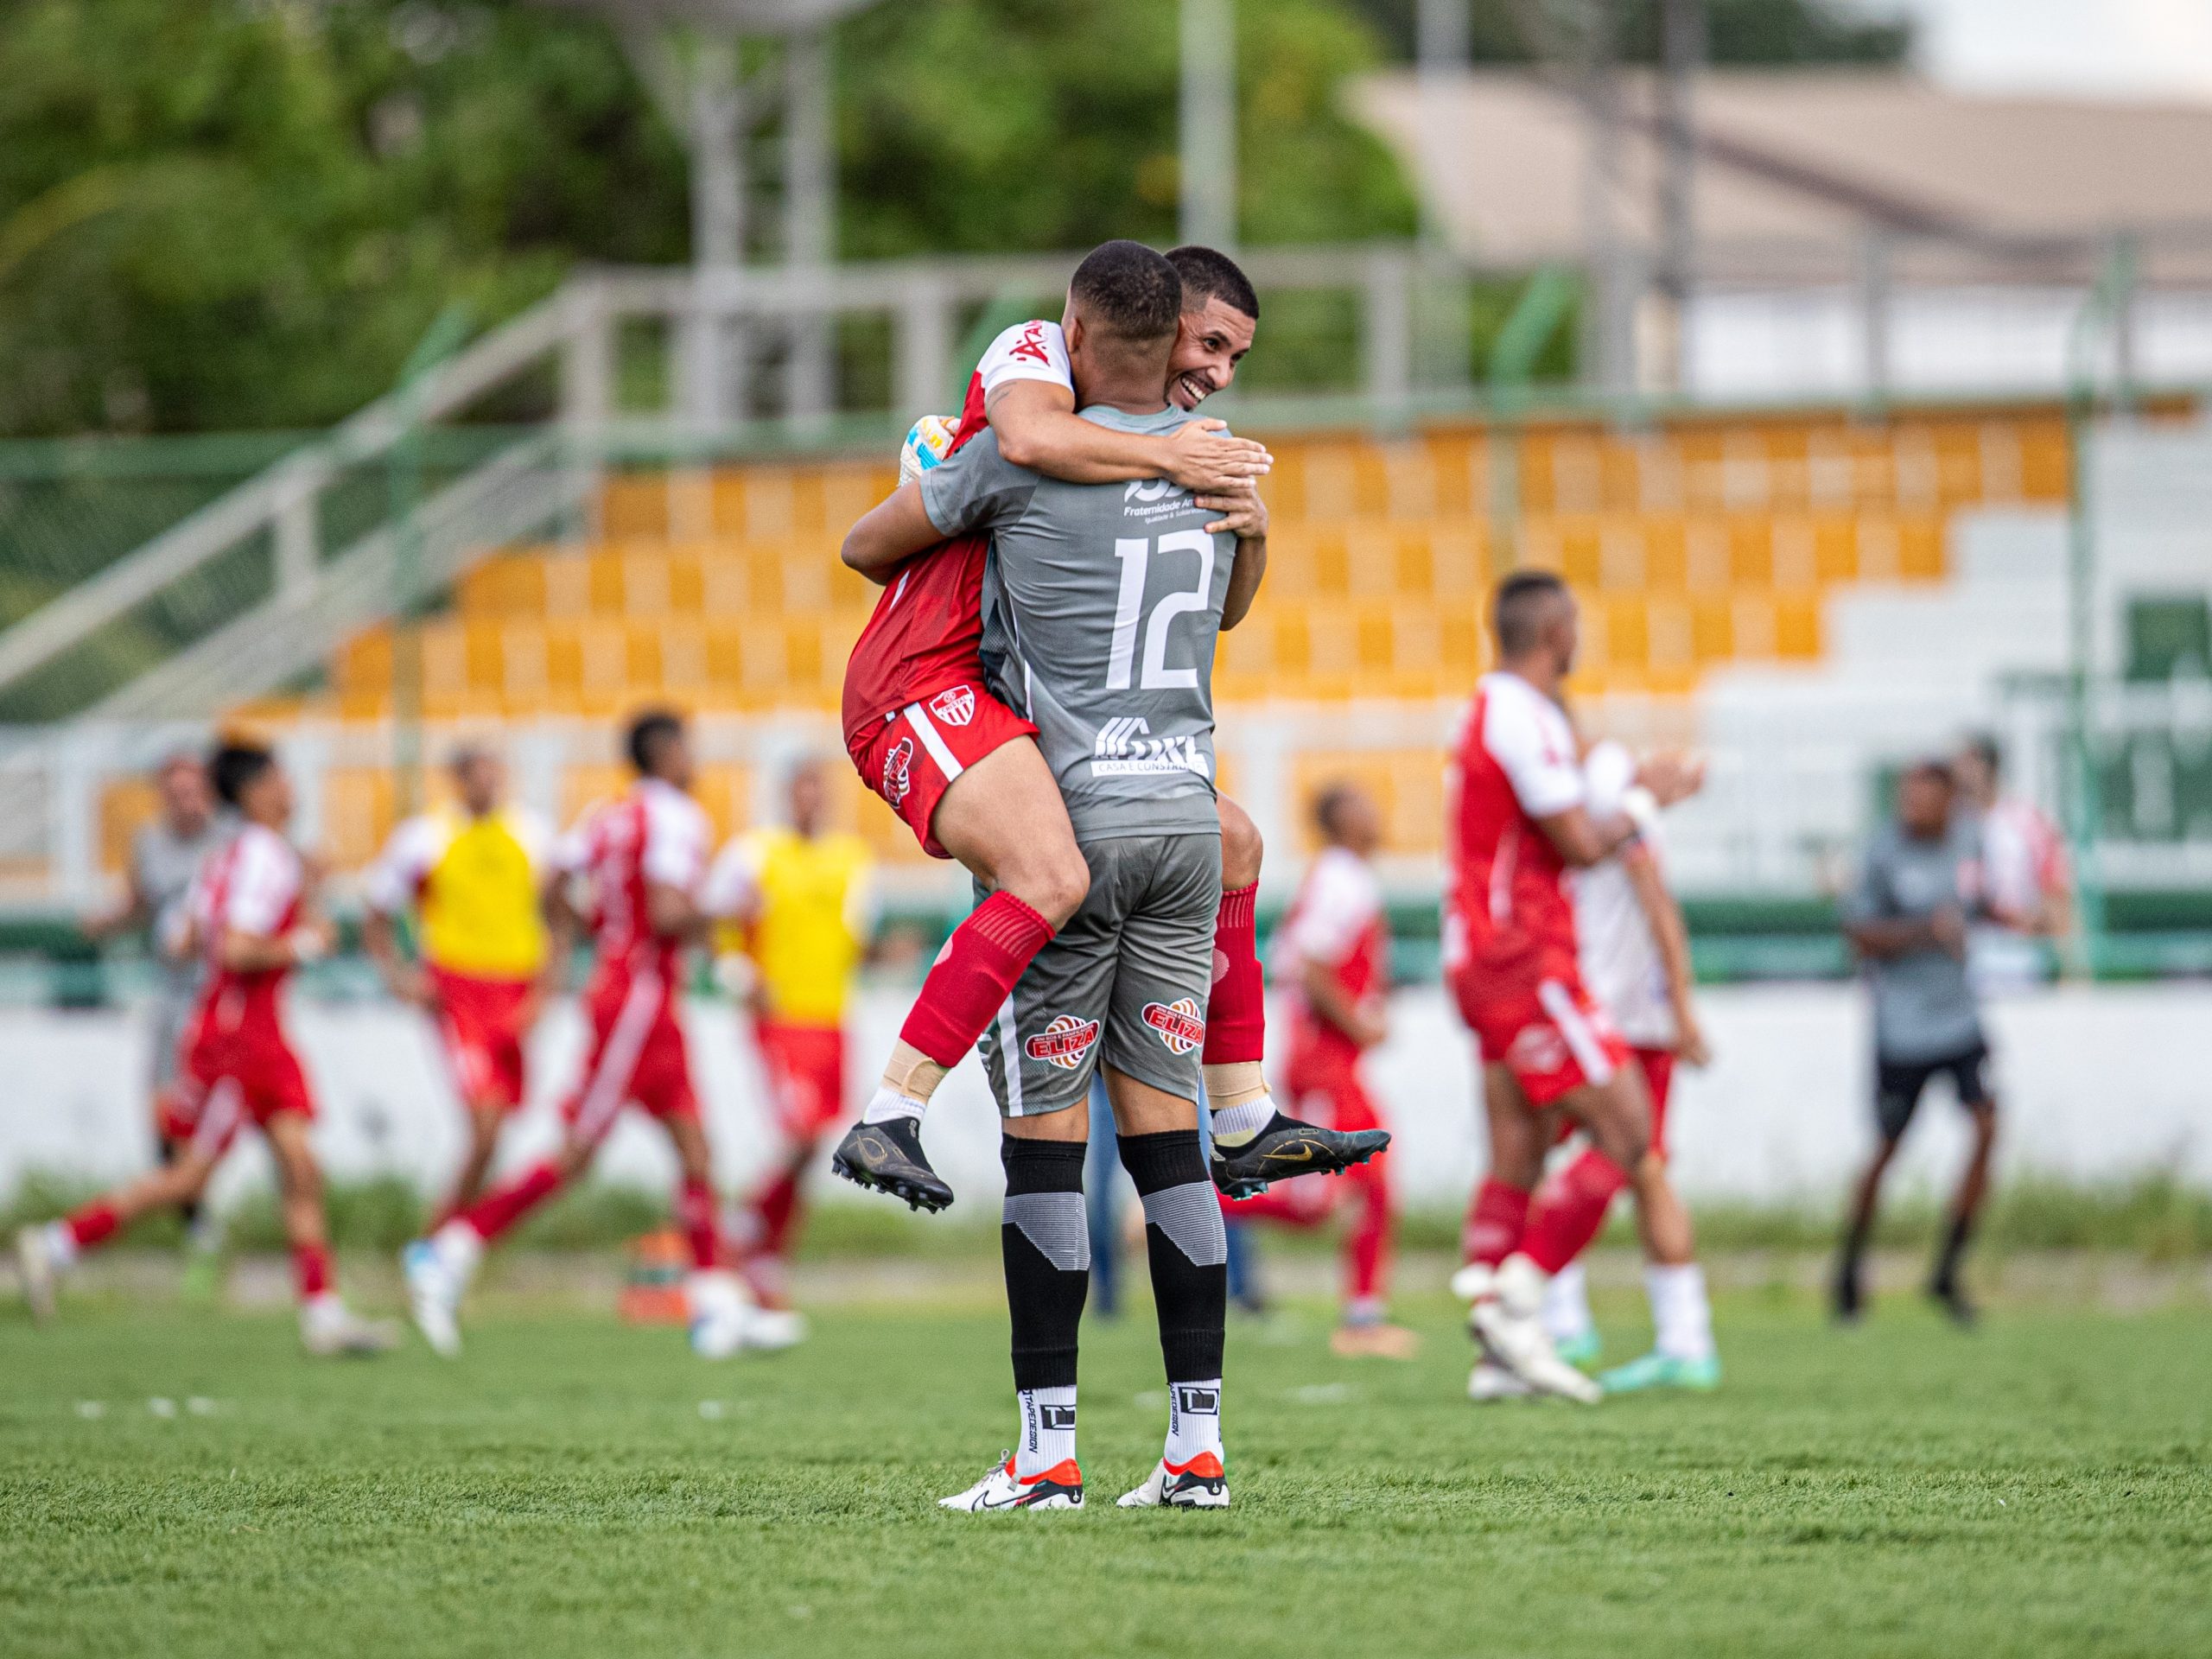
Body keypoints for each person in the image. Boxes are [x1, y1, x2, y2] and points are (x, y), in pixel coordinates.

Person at [829, 243, 1383, 1213]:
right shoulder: (1032, 361)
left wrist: (1247, 526)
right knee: (1049, 877)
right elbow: (944, 499)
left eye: (1235, 360)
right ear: (1152, 325)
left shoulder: (1142, 438)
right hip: (922, 681)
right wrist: (960, 498)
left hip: (1008, 703)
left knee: (1234, 840)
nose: (1217, 374)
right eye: (1209, 344)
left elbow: (1224, 613)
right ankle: (889, 1113)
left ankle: (1245, 1117)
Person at [842, 241, 1245, 1511]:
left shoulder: (1019, 463)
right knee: (1171, 1146)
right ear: (1172, 336)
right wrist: (1205, 472)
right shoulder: (1205, 470)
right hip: (1181, 823)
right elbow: (1230, 611)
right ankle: (1195, 1448)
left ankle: (1047, 1452)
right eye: (1210, 348)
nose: (1217, 371)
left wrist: (927, 478)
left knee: (1046, 1151)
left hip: (1071, 816)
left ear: (1078, 326)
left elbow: (872, 541)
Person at [16, 741, 396, 1356]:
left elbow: (181, 939)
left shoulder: (232, 857)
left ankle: (322, 1313)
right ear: (254, 791)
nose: (290, 789)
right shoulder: (265, 858)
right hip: (239, 1038)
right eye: (279, 777)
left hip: (254, 1031)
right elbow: (236, 949)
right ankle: (57, 1243)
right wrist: (303, 943)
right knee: (189, 1178)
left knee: (302, 1169)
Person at [400, 710, 756, 1358]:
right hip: (639, 999)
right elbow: (670, 910)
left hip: (638, 994)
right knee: (579, 1150)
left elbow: (554, 882)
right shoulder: (675, 816)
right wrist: (730, 909)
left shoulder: (609, 813)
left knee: (695, 1148)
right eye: (688, 748)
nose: (694, 760)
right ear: (668, 751)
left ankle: (715, 1304)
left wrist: (596, 930)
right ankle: (450, 1249)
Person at [1443, 570, 1701, 1404]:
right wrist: (1644, 798)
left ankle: (1496, 1358)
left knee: (1518, 1154)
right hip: (1522, 957)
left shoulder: (1498, 711)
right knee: (1631, 1133)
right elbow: (1586, 843)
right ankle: (1520, 1307)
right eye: (1577, 623)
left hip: (1487, 956)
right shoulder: (1519, 713)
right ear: (1556, 629)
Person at [1496, 735, 1720, 1397]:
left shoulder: (1606, 824)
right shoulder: (1615, 821)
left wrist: (1681, 1010)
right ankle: (1678, 1338)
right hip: (1615, 1016)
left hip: (1612, 1020)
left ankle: (1561, 1318)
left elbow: (1661, 915)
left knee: (1607, 1160)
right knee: (1638, 1165)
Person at [1221, 782, 1415, 1360]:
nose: (1375, 812)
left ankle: (1363, 1316)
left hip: (1331, 1060)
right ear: (1339, 820)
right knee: (1325, 1197)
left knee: (1366, 1185)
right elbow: (1308, 963)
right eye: (1362, 804)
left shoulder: (1341, 876)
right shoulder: (1342, 878)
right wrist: (1358, 1021)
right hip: (1324, 1061)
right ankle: (1198, 1195)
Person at [703, 755, 875, 1341]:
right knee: (798, 1134)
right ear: (785, 795)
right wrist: (736, 973)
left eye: (817, 790)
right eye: (800, 789)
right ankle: (747, 1229)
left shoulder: (851, 859)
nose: (810, 800)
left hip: (831, 1018)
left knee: (812, 1145)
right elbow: (716, 918)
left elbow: (855, 941)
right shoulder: (756, 855)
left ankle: (766, 1255)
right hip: (779, 1018)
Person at [361, 745, 561, 1224]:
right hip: (459, 990)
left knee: (503, 1123)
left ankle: (450, 1237)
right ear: (457, 780)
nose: (487, 783)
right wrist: (398, 977)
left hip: (515, 988)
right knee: (486, 1123)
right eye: (476, 774)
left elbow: (559, 916)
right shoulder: (425, 837)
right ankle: (444, 1237)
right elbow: (377, 909)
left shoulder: (532, 835)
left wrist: (546, 991)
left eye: (494, 772)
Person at [1834, 759, 1999, 1326]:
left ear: (1949, 801)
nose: (1913, 806)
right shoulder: (1881, 854)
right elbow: (1858, 934)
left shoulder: (1970, 840)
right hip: (1902, 1028)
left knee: (1987, 1124)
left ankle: (1947, 1270)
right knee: (1886, 1149)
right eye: (1907, 795)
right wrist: (1926, 932)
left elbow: (1978, 903)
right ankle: (1849, 1270)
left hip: (1960, 1018)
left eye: (1925, 796)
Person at [79, 750, 232, 1292]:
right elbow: (141, 902)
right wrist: (108, 920)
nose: (186, 800)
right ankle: (200, 1230)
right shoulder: (149, 844)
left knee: (229, 1121)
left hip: (220, 1001)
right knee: (163, 1118)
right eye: (176, 790)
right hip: (170, 1000)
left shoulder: (230, 841)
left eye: (194, 789)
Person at [1953, 732, 2071, 992]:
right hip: (1959, 955)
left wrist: (2066, 968)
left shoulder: (2025, 821)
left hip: (2015, 952)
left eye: (1967, 763)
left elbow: (2055, 892)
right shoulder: (1948, 827)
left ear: (1988, 766)